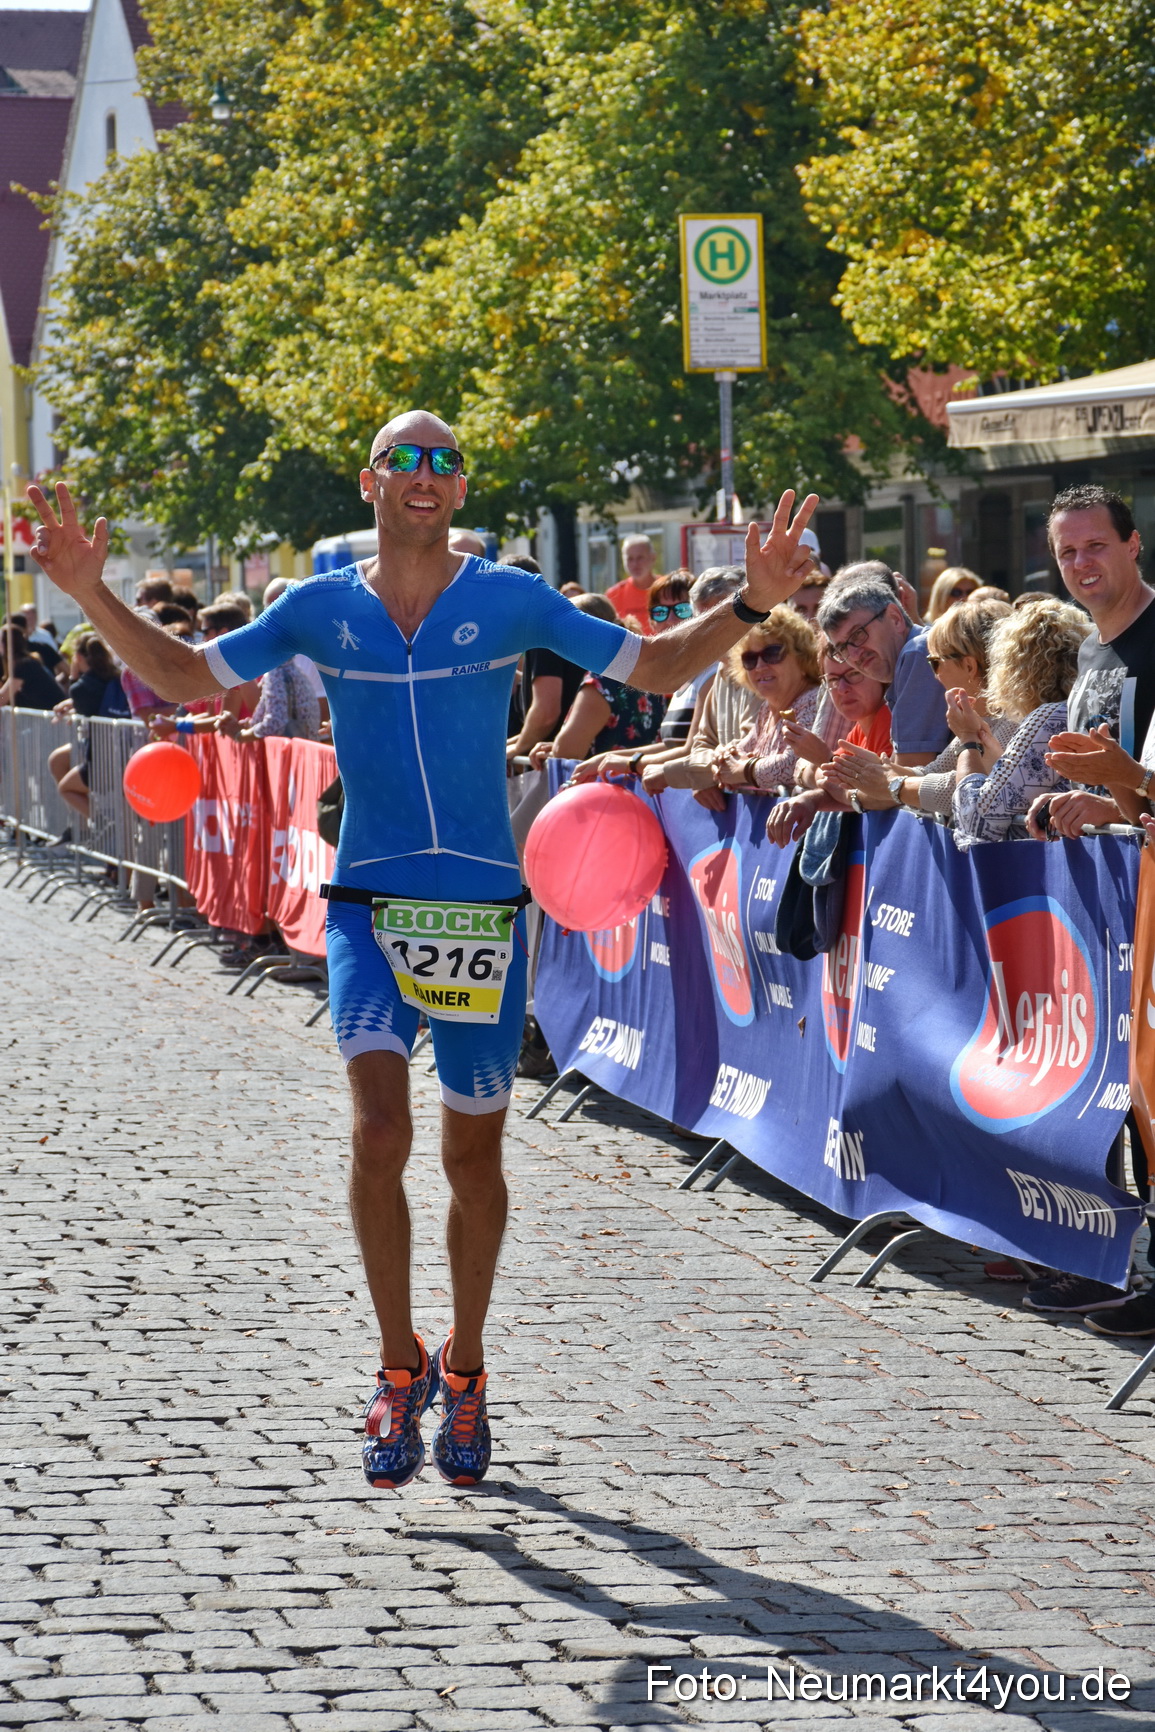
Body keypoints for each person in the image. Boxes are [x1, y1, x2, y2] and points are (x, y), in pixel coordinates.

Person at [27, 422, 818, 1492]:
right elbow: (179, 672)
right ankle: (398, 1362)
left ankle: (469, 1363)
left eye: (445, 463)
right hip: (365, 899)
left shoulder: (510, 598)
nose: (427, 476)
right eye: (406, 459)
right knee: (379, 1128)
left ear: (460, 490)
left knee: (473, 1159)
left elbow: (663, 660)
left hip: (481, 909)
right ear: (370, 482)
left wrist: (755, 603)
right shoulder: (321, 604)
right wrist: (87, 593)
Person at [829, 598, 1015, 818]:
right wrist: (883, 771)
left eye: (935, 663)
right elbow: (932, 772)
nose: (934, 675)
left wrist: (891, 785)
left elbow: (958, 791)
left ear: (969, 666)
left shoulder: (1013, 723)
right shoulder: (979, 720)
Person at [949, 599, 1090, 843]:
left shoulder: (1050, 718)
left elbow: (975, 822)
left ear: (1015, 669)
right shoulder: (1083, 711)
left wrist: (968, 740)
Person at [816, 569, 950, 774]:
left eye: (858, 634)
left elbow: (908, 773)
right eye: (842, 647)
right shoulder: (906, 660)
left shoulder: (917, 652)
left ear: (895, 618)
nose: (854, 654)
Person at [766, 654, 890, 844]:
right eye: (832, 679)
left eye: (854, 674)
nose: (842, 689)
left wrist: (824, 759)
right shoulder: (860, 728)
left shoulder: (889, 719)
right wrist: (812, 799)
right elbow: (840, 786)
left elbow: (885, 797)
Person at [530, 595, 664, 766]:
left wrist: (554, 750)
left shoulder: (601, 680)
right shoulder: (644, 670)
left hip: (606, 785)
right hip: (647, 786)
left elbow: (567, 751)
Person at [711, 607, 833, 794]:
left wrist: (744, 770)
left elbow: (795, 764)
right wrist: (722, 758)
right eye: (750, 659)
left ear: (802, 657)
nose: (760, 666)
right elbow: (741, 751)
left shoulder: (813, 701)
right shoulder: (767, 710)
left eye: (772, 654)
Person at [47, 634, 130, 822]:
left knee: (65, 788)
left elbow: (83, 705)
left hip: (100, 755)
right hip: (125, 747)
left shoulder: (81, 687)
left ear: (78, 657)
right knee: (57, 760)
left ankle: (100, 822)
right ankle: (88, 826)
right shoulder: (116, 677)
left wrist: (73, 676)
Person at [0, 624, 66, 710]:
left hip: (53, 715)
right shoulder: (25, 662)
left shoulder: (24, 665)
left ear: (7, 643)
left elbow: (3, 698)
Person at [606, 534, 659, 633]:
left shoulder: (666, 588)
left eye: (640, 558)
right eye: (630, 559)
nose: (635, 564)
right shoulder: (614, 595)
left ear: (653, 558)